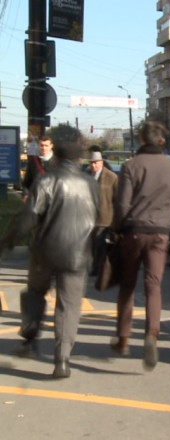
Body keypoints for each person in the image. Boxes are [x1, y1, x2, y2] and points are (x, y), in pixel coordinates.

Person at [0, 129, 99, 379]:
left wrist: (8, 242)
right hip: (77, 254)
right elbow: (96, 218)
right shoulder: (91, 184)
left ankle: (30, 337)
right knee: (69, 306)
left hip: (44, 251)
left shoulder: (47, 181)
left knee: (34, 292)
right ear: (78, 160)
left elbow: (28, 217)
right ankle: (62, 360)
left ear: (56, 158)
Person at [111, 121, 170, 371]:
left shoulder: (130, 166)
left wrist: (115, 228)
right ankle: (151, 335)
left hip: (133, 232)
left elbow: (122, 205)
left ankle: (123, 338)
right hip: (160, 233)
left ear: (141, 140)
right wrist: (166, 216)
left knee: (127, 284)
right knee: (153, 286)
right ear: (162, 142)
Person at [87, 149, 119, 277]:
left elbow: (117, 198)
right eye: (92, 163)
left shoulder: (111, 177)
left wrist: (116, 219)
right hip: (89, 217)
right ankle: (96, 266)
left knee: (101, 245)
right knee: (92, 244)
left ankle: (98, 269)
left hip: (105, 217)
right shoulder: (87, 175)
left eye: (96, 163)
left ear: (101, 162)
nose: (94, 166)